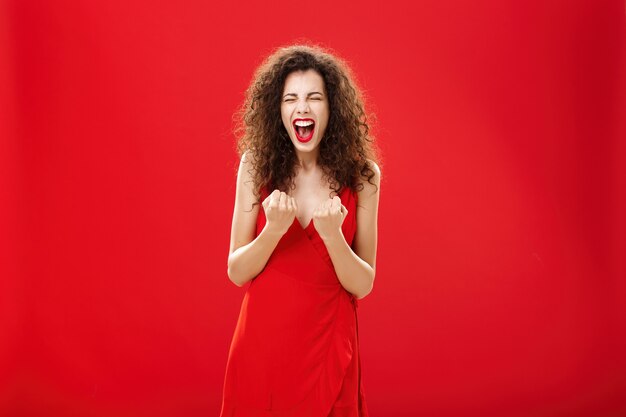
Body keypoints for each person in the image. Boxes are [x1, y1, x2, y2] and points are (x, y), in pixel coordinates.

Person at [220, 43, 382, 417]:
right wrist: (273, 231)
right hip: (262, 348)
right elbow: (236, 270)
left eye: (314, 98)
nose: (302, 108)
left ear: (333, 109)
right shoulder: (255, 166)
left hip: (329, 345)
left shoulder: (364, 176)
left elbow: (363, 283)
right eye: (290, 99)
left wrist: (333, 236)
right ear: (278, 110)